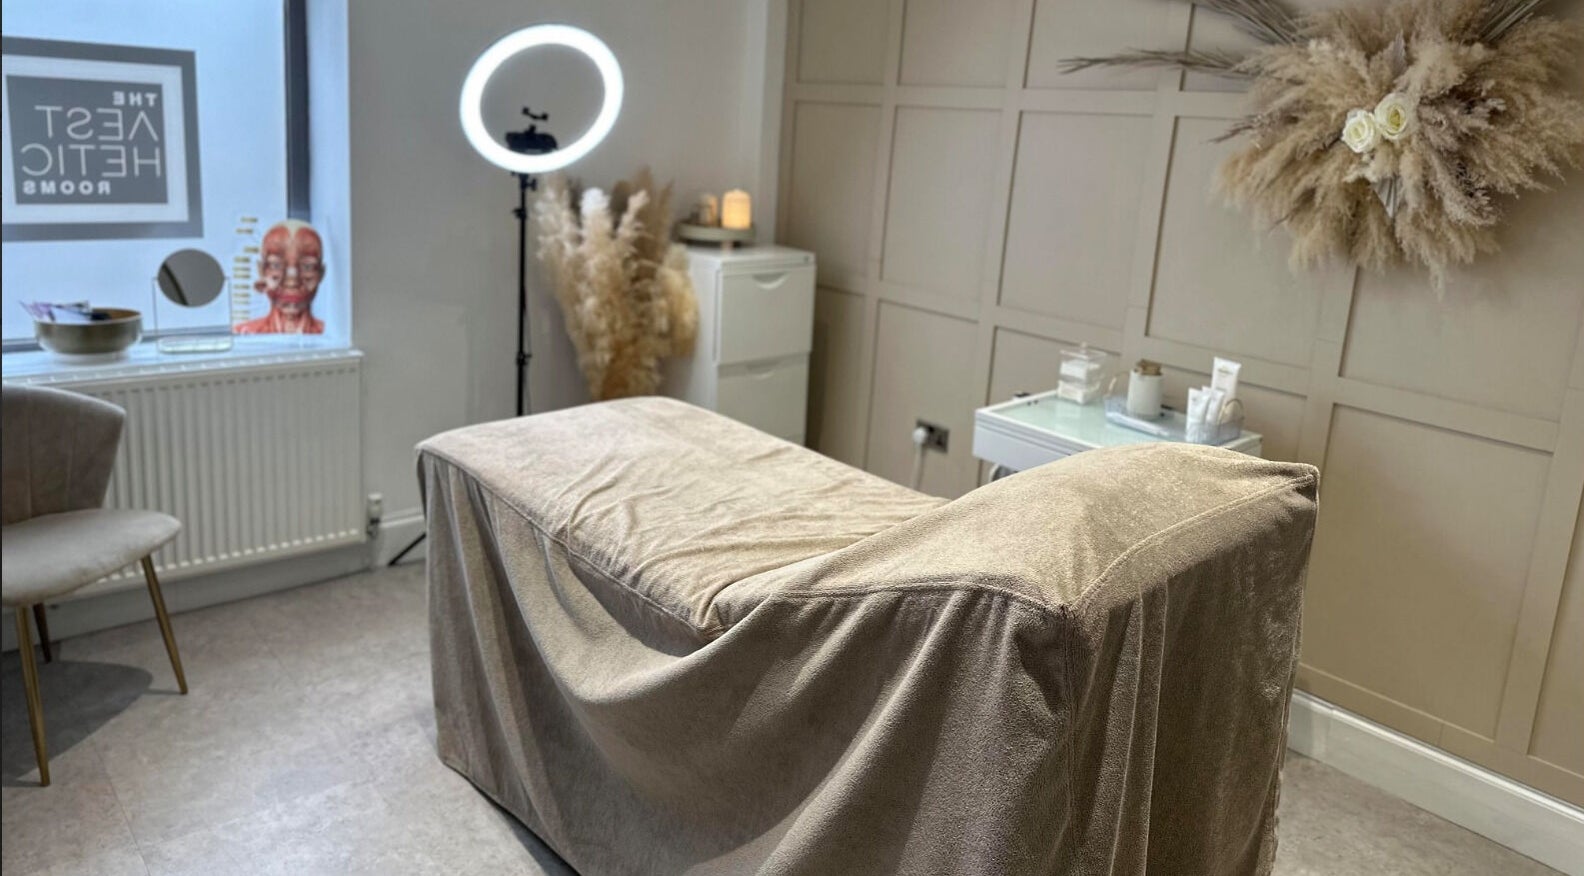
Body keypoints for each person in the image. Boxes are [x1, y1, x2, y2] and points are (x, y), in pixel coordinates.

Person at [234, 219, 326, 335]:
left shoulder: (331, 335)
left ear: (321, 274)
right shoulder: (243, 334)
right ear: (261, 271)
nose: (292, 282)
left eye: (307, 267)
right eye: (276, 265)